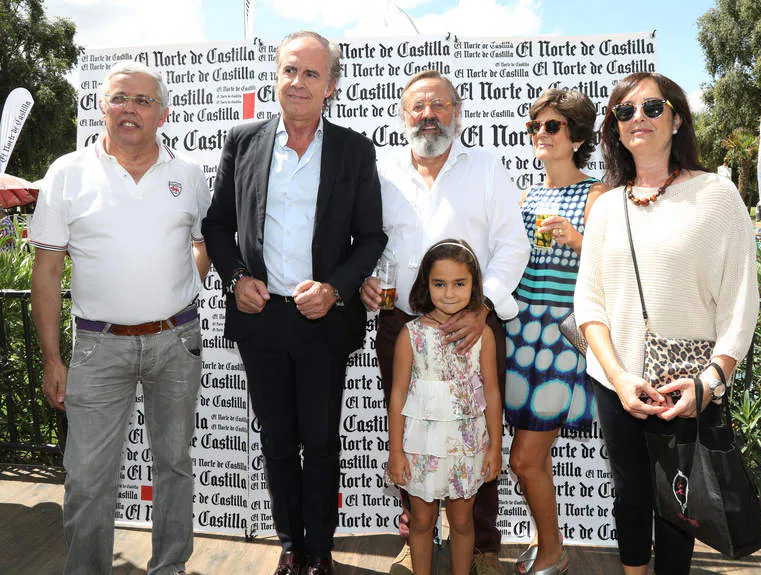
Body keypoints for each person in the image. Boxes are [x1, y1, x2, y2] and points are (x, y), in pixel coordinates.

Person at [201, 30, 386, 575]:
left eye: (311, 73)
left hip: (324, 322)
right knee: (278, 442)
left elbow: (371, 237)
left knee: (322, 444)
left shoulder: (355, 149)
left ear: (330, 85)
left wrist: (335, 289)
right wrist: (235, 277)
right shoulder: (244, 140)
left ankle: (321, 550)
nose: (298, 82)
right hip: (262, 320)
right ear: (275, 77)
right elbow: (216, 225)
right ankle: (289, 546)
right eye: (289, 70)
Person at [574, 72, 759, 574]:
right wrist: (618, 377)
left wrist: (711, 379)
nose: (638, 119)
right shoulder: (607, 206)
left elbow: (741, 302)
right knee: (631, 497)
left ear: (676, 119)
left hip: (687, 387)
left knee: (681, 509)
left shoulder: (717, 197)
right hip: (617, 384)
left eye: (652, 108)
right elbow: (588, 304)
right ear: (614, 126)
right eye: (625, 111)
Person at [29, 61, 210, 575]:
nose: (130, 108)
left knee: (174, 465)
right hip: (97, 346)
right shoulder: (66, 173)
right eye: (119, 98)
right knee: (87, 477)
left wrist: (179, 290)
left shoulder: (188, 176)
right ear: (102, 107)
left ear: (163, 114)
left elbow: (202, 244)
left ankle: (169, 568)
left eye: (143, 100)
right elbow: (46, 271)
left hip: (177, 343)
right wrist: (51, 357)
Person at [360, 69, 529, 575]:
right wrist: (365, 279)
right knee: (413, 431)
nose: (428, 115)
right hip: (402, 325)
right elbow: (367, 239)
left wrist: (485, 306)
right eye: (417, 107)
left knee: (475, 431)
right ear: (403, 115)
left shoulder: (487, 168)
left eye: (439, 105)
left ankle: (481, 549)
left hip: (472, 327)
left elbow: (513, 245)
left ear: (457, 112)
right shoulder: (381, 171)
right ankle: (415, 538)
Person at [505, 89, 607, 575]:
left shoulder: (597, 194)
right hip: (520, 333)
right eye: (534, 127)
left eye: (552, 127)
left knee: (523, 459)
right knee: (532, 459)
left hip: (563, 339)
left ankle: (553, 552)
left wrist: (578, 238)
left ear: (578, 136)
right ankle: (549, 544)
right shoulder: (527, 194)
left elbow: (619, 270)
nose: (539, 135)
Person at [386, 239, 503, 575]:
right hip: (420, 448)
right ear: (426, 285)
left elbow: (492, 394)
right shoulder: (410, 335)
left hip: (467, 447)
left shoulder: (484, 336)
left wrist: (495, 448)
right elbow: (397, 397)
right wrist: (396, 452)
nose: (449, 293)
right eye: (439, 284)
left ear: (474, 286)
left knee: (463, 522)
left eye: (459, 284)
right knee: (421, 521)